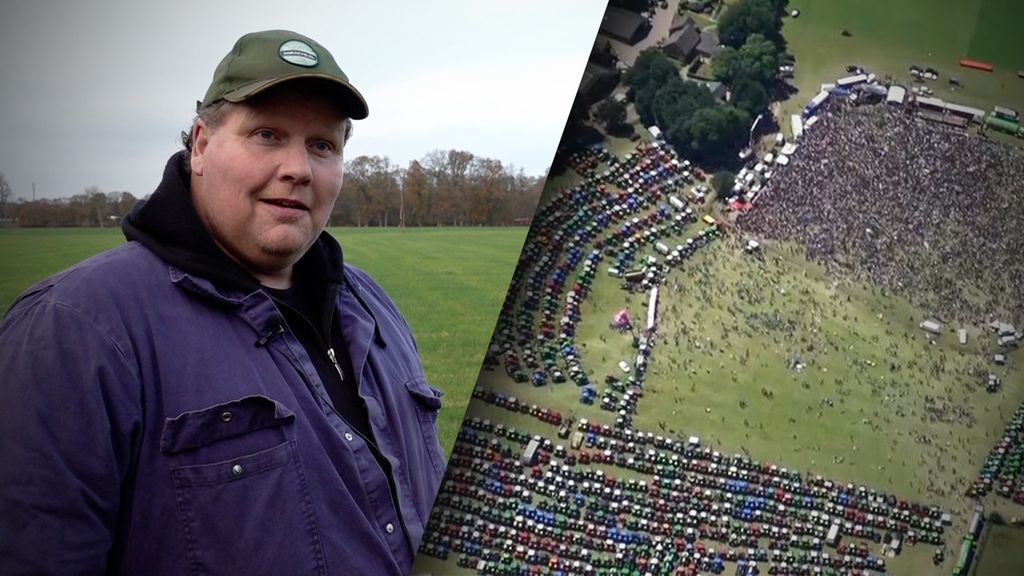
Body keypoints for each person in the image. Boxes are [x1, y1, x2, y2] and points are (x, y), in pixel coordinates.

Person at [0, 30, 445, 575]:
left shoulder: (370, 303)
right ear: (202, 144)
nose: (298, 168)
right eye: (266, 134)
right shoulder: (77, 329)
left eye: (322, 145)